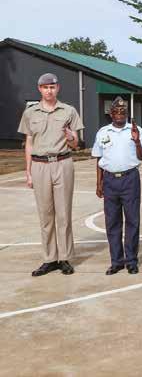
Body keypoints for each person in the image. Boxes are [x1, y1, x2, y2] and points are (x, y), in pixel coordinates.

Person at [18, 73, 83, 277]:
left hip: (63, 163)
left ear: (58, 88)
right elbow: (29, 143)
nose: (49, 91)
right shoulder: (30, 113)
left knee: (64, 214)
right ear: (39, 89)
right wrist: (28, 172)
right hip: (39, 166)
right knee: (45, 215)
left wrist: (71, 137)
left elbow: (76, 144)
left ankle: (64, 258)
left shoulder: (69, 111)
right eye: (45, 87)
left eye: (52, 87)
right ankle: (49, 259)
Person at [92, 96, 142, 275]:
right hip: (109, 180)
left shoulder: (135, 130)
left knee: (132, 221)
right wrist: (99, 182)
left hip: (130, 178)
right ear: (110, 114)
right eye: (116, 111)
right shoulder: (103, 132)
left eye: (123, 112)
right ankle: (116, 261)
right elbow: (99, 159)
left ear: (127, 114)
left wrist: (137, 141)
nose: (119, 115)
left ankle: (131, 260)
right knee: (112, 222)